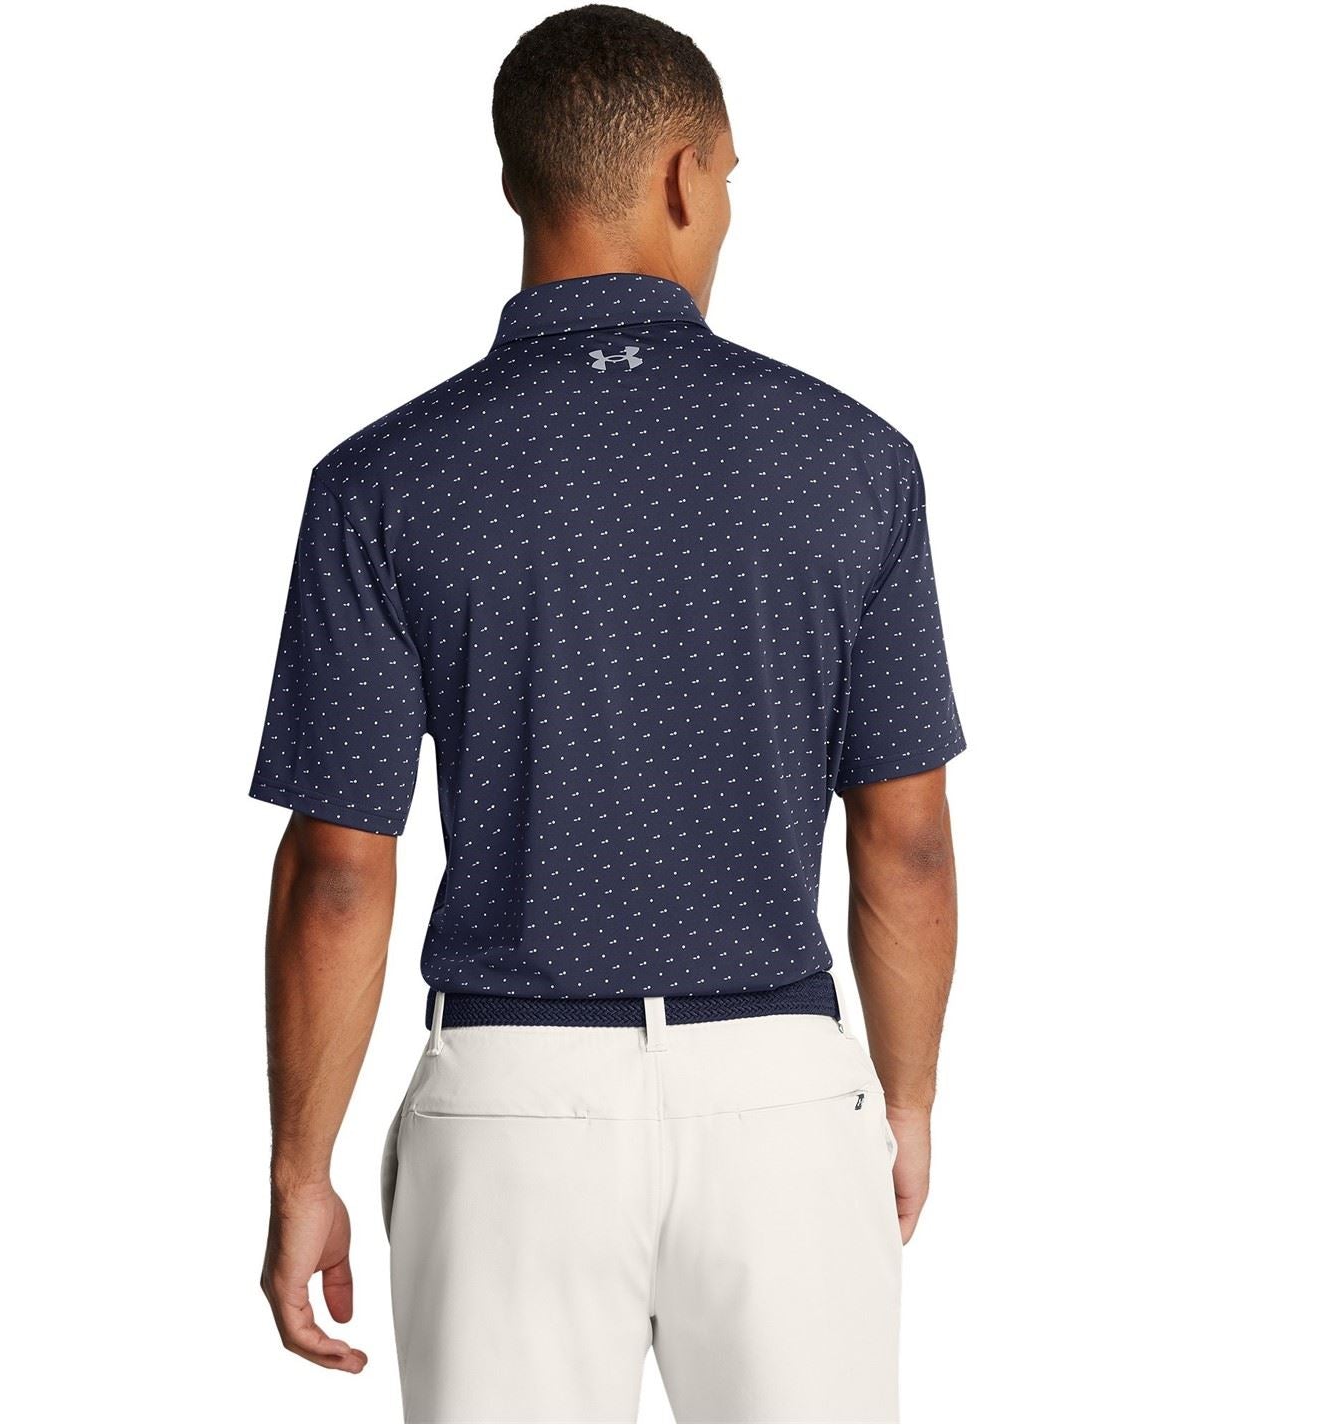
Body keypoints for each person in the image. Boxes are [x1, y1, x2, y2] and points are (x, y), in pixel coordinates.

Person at [251, 6, 963, 1421]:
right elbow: (907, 841)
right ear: (687, 175)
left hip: (507, 1105)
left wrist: (298, 1168)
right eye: (731, 178)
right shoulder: (853, 459)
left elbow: (337, 870)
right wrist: (903, 1102)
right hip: (779, 1097)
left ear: (518, 181)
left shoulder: (382, 480)